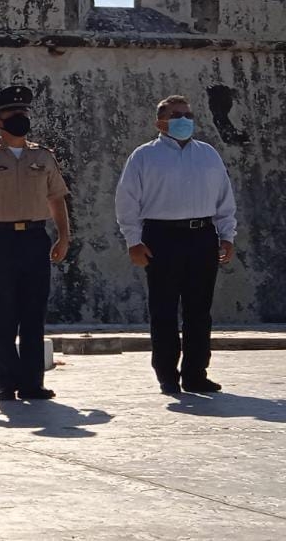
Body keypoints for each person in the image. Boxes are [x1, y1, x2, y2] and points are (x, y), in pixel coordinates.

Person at [114, 95, 235, 395]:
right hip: (161, 237)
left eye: (188, 114)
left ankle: (196, 374)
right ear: (160, 122)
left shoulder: (208, 154)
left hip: (202, 235)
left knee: (199, 309)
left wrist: (227, 235)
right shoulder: (143, 156)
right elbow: (127, 202)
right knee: (164, 308)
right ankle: (167, 374)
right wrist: (134, 241)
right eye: (177, 114)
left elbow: (224, 199)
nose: (184, 119)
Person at [0, 85, 71, 402]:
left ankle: (33, 382)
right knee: (4, 314)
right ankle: (6, 382)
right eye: (12, 114)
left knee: (34, 313)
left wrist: (64, 236)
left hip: (35, 238)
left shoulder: (43, 156)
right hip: (0, 239)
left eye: (24, 113)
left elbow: (57, 198)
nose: (20, 118)